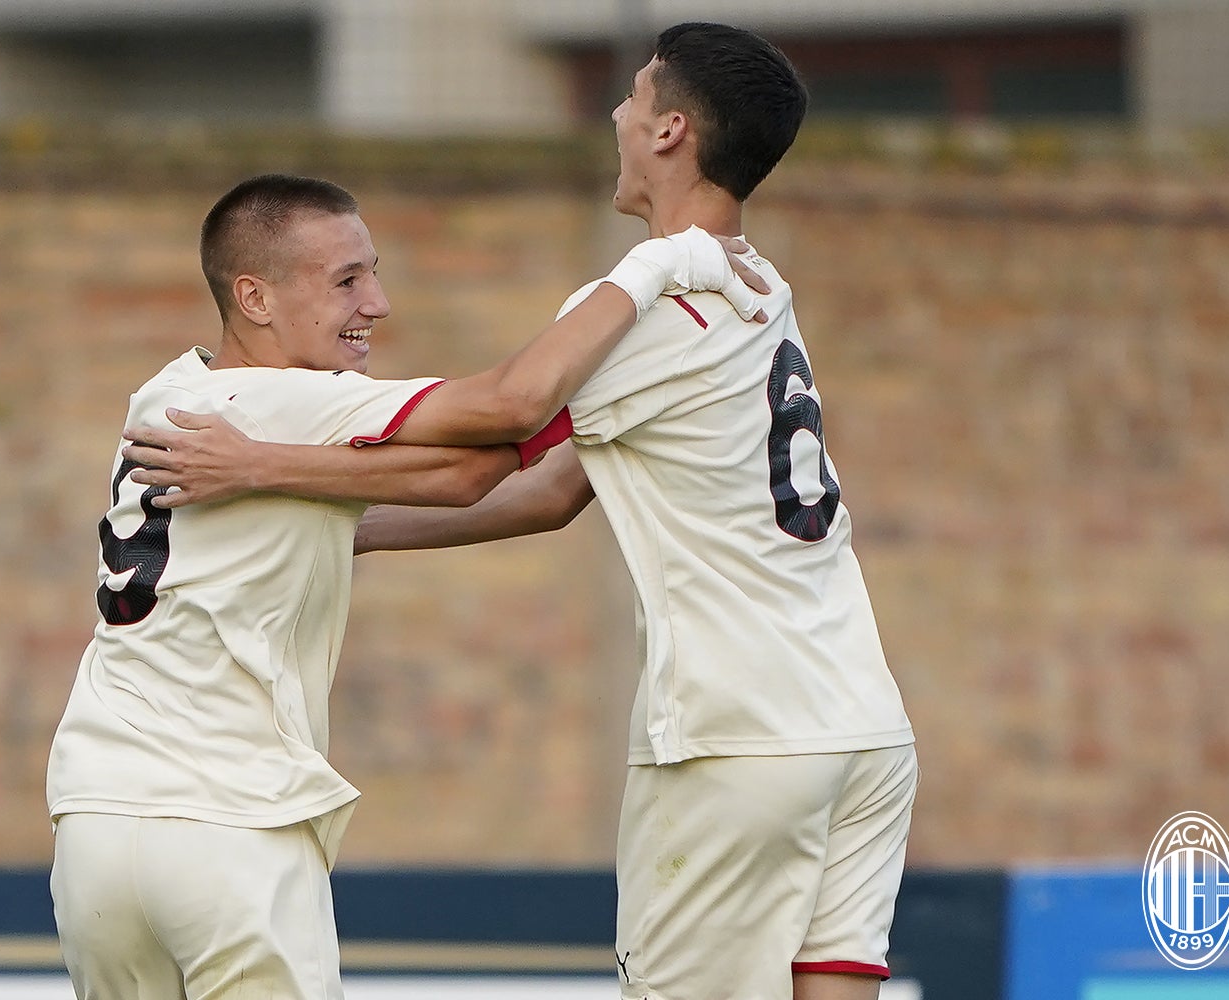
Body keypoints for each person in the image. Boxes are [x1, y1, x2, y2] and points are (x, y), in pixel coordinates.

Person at [121, 23, 917, 1000]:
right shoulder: (759, 285)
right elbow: (551, 490)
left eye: (631, 97)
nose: (616, 115)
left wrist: (258, 467)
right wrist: (337, 528)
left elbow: (496, 428)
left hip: (736, 733)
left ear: (669, 131)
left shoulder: (651, 300)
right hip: (864, 724)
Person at [45, 172, 767, 1000]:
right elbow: (505, 415)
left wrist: (627, 418)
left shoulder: (167, 395)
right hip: (227, 827)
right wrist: (658, 269)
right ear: (254, 296)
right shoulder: (290, 401)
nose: (377, 303)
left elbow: (523, 498)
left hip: (94, 824)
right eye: (347, 279)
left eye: (372, 273)